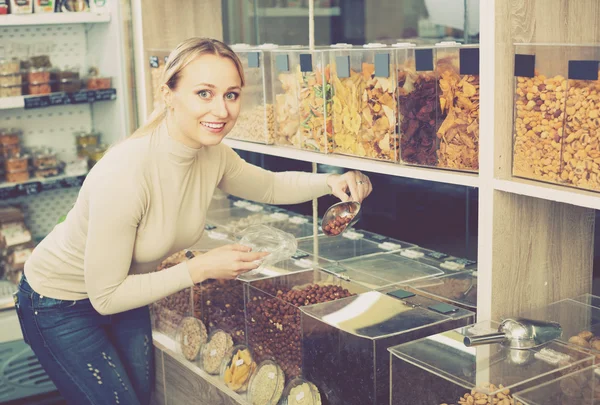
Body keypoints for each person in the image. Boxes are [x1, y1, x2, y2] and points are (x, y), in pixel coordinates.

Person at [14, 37, 373, 405]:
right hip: (58, 303)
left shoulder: (211, 153)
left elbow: (267, 184)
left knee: (139, 396)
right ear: (168, 94)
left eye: (231, 95)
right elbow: (105, 297)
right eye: (204, 93)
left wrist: (330, 182)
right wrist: (199, 268)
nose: (221, 110)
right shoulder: (125, 174)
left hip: (130, 289)